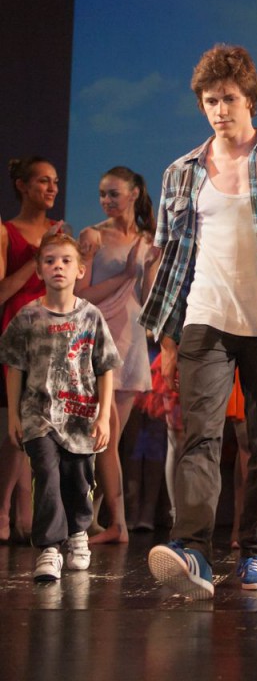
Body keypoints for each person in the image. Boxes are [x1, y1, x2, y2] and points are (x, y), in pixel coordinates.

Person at [141, 44, 257, 599]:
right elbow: (171, 259)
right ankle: (193, 550)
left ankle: (256, 553)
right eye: (210, 100)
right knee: (200, 438)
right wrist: (166, 337)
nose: (219, 109)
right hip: (205, 319)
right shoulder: (181, 172)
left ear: (249, 99)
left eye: (229, 98)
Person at [0, 233, 121, 582]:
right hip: (39, 416)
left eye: (66, 261)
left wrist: (103, 416)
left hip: (80, 418)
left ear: (80, 269)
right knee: (46, 474)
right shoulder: (28, 316)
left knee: (78, 478)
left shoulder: (90, 316)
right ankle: (49, 548)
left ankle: (78, 531)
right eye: (50, 260)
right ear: (39, 269)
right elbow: (14, 367)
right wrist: (13, 415)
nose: (58, 267)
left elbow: (106, 367)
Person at [75, 167, 159, 544]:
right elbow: (81, 295)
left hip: (131, 340)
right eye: (102, 194)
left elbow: (148, 300)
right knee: (101, 435)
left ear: (134, 193)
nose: (106, 201)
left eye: (113, 193)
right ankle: (111, 523)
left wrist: (150, 266)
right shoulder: (92, 235)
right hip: (97, 339)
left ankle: (98, 519)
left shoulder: (146, 240)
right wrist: (125, 274)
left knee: (110, 438)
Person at [0, 157, 66, 543]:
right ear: (23, 186)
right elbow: (3, 291)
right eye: (43, 181)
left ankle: (26, 514)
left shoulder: (59, 231)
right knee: (19, 426)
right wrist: (37, 255)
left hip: (52, 334)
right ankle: (5, 509)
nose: (52, 188)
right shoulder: (6, 232)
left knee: (40, 428)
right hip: (18, 334)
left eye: (55, 181)